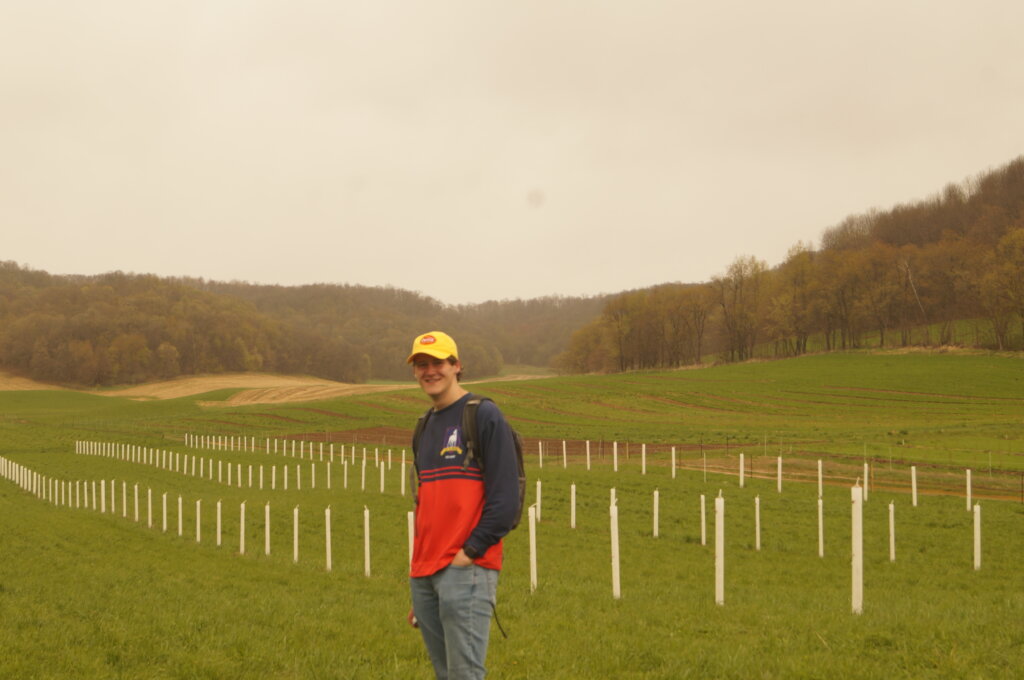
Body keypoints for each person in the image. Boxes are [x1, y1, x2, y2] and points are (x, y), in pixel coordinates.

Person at [406, 331, 519, 680]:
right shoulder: (423, 426)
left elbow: (506, 501)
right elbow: (427, 506)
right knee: (446, 674)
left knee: (465, 674)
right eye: (421, 365)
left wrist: (468, 554)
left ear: (457, 366)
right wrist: (424, 578)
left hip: (465, 568)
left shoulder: (483, 415)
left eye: (438, 362)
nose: (429, 371)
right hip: (425, 575)